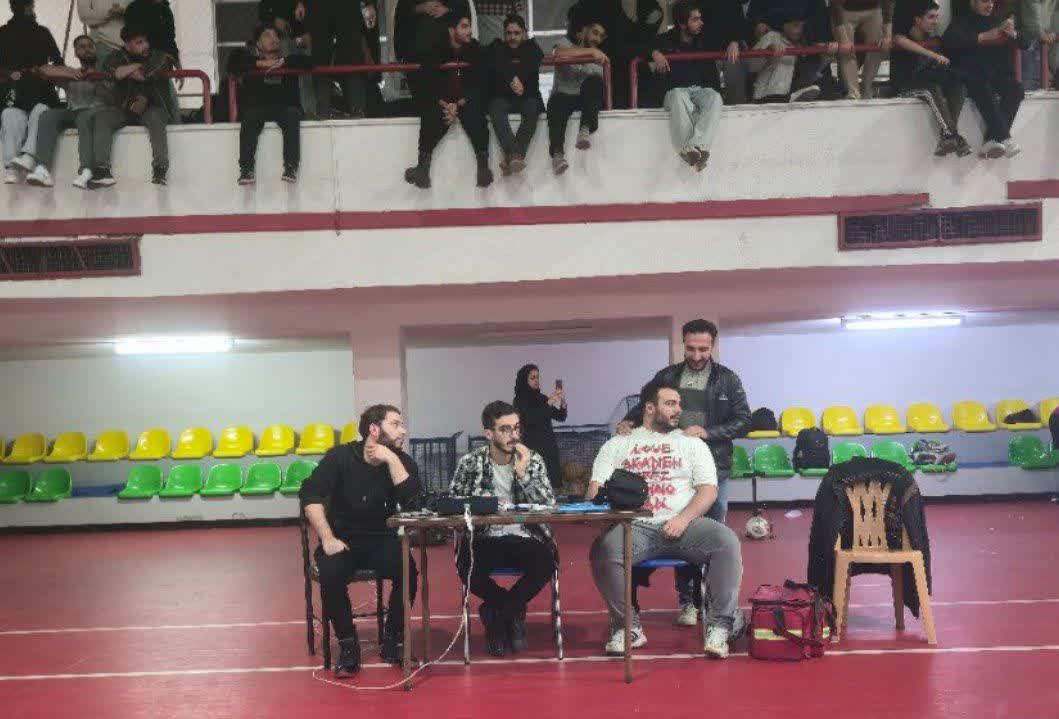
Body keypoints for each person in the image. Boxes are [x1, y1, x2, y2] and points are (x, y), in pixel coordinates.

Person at [587, 378, 745, 658]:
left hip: (686, 525)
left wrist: (683, 519)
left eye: (679, 404)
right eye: (670, 404)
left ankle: (720, 626)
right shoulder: (619, 443)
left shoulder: (691, 443)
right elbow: (594, 491)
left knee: (726, 541)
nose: (678, 410)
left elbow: (708, 490)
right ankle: (627, 627)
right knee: (604, 549)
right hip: (636, 526)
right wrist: (610, 502)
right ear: (650, 408)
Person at [617, 318, 751, 627]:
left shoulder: (728, 380)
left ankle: (710, 603)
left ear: (713, 346)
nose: (696, 355)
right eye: (690, 348)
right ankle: (687, 600)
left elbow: (744, 420)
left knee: (709, 538)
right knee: (673, 527)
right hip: (672, 468)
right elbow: (645, 407)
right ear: (683, 345)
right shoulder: (667, 376)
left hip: (713, 467)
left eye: (703, 349)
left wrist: (708, 432)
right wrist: (628, 422)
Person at [299, 404, 423, 676]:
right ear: (374, 430)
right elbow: (310, 495)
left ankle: (393, 638)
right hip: (342, 539)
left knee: (408, 571)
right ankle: (347, 643)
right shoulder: (340, 457)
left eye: (402, 425)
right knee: (331, 572)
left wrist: (391, 460)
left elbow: (414, 505)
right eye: (395, 424)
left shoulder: (401, 461)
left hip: (382, 538)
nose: (403, 430)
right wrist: (327, 538)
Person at [450, 400, 557, 657]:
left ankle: (497, 616)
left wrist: (523, 474)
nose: (514, 435)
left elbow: (548, 504)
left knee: (546, 562)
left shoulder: (532, 459)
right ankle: (510, 609)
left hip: (526, 536)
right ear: (489, 433)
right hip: (485, 537)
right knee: (465, 566)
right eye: (505, 429)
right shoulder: (470, 462)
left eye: (517, 428)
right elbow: (452, 503)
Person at [403, 12, 492, 189]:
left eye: (469, 26)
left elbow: (482, 82)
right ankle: (422, 169)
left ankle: (483, 169)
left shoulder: (475, 49)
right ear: (452, 30)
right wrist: (446, 104)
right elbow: (426, 83)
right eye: (464, 26)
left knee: (478, 115)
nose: (469, 31)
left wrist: (459, 104)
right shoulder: (436, 50)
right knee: (430, 115)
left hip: (465, 101)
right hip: (443, 101)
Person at [647, 1, 726, 172]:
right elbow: (636, 45)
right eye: (695, 19)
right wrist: (654, 52)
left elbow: (727, 41)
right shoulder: (665, 40)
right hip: (675, 91)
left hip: (699, 90)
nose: (701, 23)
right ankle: (691, 150)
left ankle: (696, 146)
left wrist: (734, 42)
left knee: (715, 97)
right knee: (678, 95)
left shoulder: (705, 40)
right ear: (682, 23)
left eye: (700, 18)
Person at [92, 24, 174, 187]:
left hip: (153, 107)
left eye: (146, 41)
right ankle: (102, 169)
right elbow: (114, 72)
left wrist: (125, 71)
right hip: (125, 108)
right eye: (139, 42)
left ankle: (160, 168)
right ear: (128, 44)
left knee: (155, 119)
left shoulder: (158, 56)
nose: (146, 46)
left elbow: (144, 76)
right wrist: (136, 66)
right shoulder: (115, 56)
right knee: (103, 118)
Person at [229, 25, 313, 185]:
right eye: (267, 35)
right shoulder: (250, 62)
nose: (273, 38)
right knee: (249, 116)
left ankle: (291, 167)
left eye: (276, 36)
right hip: (259, 108)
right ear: (258, 44)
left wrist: (283, 62)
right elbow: (233, 64)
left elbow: (311, 62)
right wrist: (261, 64)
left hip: (285, 107)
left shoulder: (289, 61)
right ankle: (246, 170)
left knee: (292, 114)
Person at [21, 35, 106, 189]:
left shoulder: (104, 71)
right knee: (47, 115)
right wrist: (70, 73)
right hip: (74, 113)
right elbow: (43, 70)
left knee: (84, 117)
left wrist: (95, 77)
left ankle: (86, 170)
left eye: (90, 46)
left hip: (96, 114)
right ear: (76, 53)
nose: (87, 49)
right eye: (82, 47)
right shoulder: (72, 74)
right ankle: (42, 169)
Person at [944, 0, 1026, 159]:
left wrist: (1013, 33)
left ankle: (991, 140)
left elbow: (1027, 41)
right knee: (983, 86)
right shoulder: (961, 20)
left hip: (996, 74)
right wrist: (983, 36)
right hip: (971, 75)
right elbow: (949, 40)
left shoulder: (998, 21)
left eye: (991, 1)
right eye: (984, 1)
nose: (989, 5)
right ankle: (1005, 139)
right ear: (972, 2)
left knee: (1016, 88)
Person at [892, 0, 971, 157]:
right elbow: (899, 40)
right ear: (917, 20)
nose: (935, 21)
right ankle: (953, 135)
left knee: (959, 86)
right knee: (930, 89)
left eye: (936, 17)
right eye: (931, 17)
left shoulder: (935, 40)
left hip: (930, 82)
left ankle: (948, 135)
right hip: (905, 87)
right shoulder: (904, 38)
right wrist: (934, 55)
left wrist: (939, 62)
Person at [0, 0, 62, 185]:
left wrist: (44, 71)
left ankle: (28, 156)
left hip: (35, 92)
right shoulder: (39, 32)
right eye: (30, 6)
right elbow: (58, 61)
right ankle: (11, 166)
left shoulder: (5, 33)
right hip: (21, 92)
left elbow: (57, 63)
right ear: (27, 7)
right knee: (10, 114)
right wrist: (10, 74)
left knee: (39, 112)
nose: (32, 9)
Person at [546, 18, 607, 176]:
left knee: (595, 82)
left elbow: (597, 89)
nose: (597, 38)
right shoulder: (565, 43)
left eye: (601, 36)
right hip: (563, 96)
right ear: (584, 31)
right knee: (557, 101)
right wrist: (590, 52)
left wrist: (594, 54)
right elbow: (558, 53)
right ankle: (557, 155)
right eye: (595, 33)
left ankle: (585, 130)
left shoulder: (600, 58)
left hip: (583, 100)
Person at [294, 0, 373, 119]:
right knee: (319, 58)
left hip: (347, 8)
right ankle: (323, 111)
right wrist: (300, 2)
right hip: (319, 8)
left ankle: (357, 109)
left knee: (352, 54)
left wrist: (369, 4)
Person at [486, 14, 543, 176]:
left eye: (517, 33)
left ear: (524, 33)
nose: (512, 37)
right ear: (504, 34)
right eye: (509, 33)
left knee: (533, 107)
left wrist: (519, 78)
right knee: (495, 106)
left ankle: (511, 157)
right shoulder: (497, 47)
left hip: (527, 99)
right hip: (502, 99)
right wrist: (512, 77)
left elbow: (535, 58)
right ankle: (515, 155)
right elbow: (491, 57)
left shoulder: (532, 48)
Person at [747, 15, 836, 103]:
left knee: (828, 86)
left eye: (803, 26)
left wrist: (828, 53)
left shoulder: (806, 43)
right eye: (796, 25)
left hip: (796, 94)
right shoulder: (772, 37)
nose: (800, 30)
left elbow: (814, 70)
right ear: (785, 26)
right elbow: (750, 66)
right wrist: (767, 53)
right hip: (769, 96)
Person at [124, 0, 181, 123]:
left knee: (171, 109)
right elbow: (133, 40)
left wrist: (176, 62)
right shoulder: (135, 8)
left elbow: (170, 39)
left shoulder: (165, 10)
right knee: (141, 109)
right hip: (142, 69)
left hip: (160, 68)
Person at [512, 364, 567, 490]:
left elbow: (560, 416)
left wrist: (562, 402)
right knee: (535, 484)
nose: (536, 380)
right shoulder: (519, 400)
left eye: (537, 377)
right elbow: (530, 419)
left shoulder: (542, 398)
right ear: (524, 380)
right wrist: (549, 402)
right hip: (532, 447)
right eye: (532, 378)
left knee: (552, 484)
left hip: (549, 446)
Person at [830, 0, 894, 99]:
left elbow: (888, 3)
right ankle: (853, 92)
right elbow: (835, 5)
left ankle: (867, 89)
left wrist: (888, 35)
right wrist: (843, 39)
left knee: (878, 43)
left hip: (873, 9)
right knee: (845, 48)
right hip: (845, 10)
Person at [77, 1, 133, 66]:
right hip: (102, 44)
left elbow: (141, 13)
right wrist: (108, 13)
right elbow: (84, 15)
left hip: (133, 46)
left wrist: (127, 12)